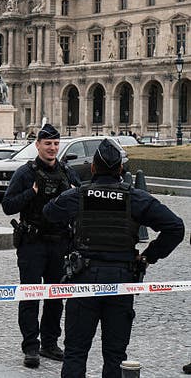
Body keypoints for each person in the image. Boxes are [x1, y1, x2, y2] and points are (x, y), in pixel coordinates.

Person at [43, 138, 184, 378]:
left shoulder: (79, 195)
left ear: (93, 168)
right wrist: (149, 256)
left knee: (76, 352)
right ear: (120, 170)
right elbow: (175, 227)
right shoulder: (135, 198)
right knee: (115, 355)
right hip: (122, 280)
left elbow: (49, 213)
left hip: (84, 279)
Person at [1, 123, 79, 368]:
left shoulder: (67, 172)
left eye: (56, 144)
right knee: (31, 297)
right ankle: (31, 347)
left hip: (59, 244)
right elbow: (7, 206)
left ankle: (50, 343)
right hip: (32, 244)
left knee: (56, 297)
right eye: (48, 144)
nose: (52, 148)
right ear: (38, 145)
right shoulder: (25, 173)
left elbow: (82, 199)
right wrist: (31, 194)